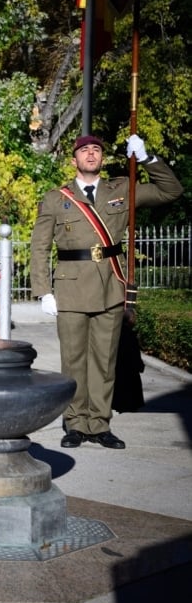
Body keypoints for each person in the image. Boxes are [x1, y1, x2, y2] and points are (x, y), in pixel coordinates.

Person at [30, 134, 183, 450]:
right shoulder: (55, 198)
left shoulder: (121, 190)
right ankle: (75, 424)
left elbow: (171, 191)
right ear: (74, 160)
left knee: (104, 360)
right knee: (73, 362)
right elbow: (39, 246)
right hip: (70, 289)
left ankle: (99, 425)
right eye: (84, 150)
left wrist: (146, 158)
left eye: (96, 150)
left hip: (110, 286)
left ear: (102, 158)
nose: (90, 154)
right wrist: (43, 291)